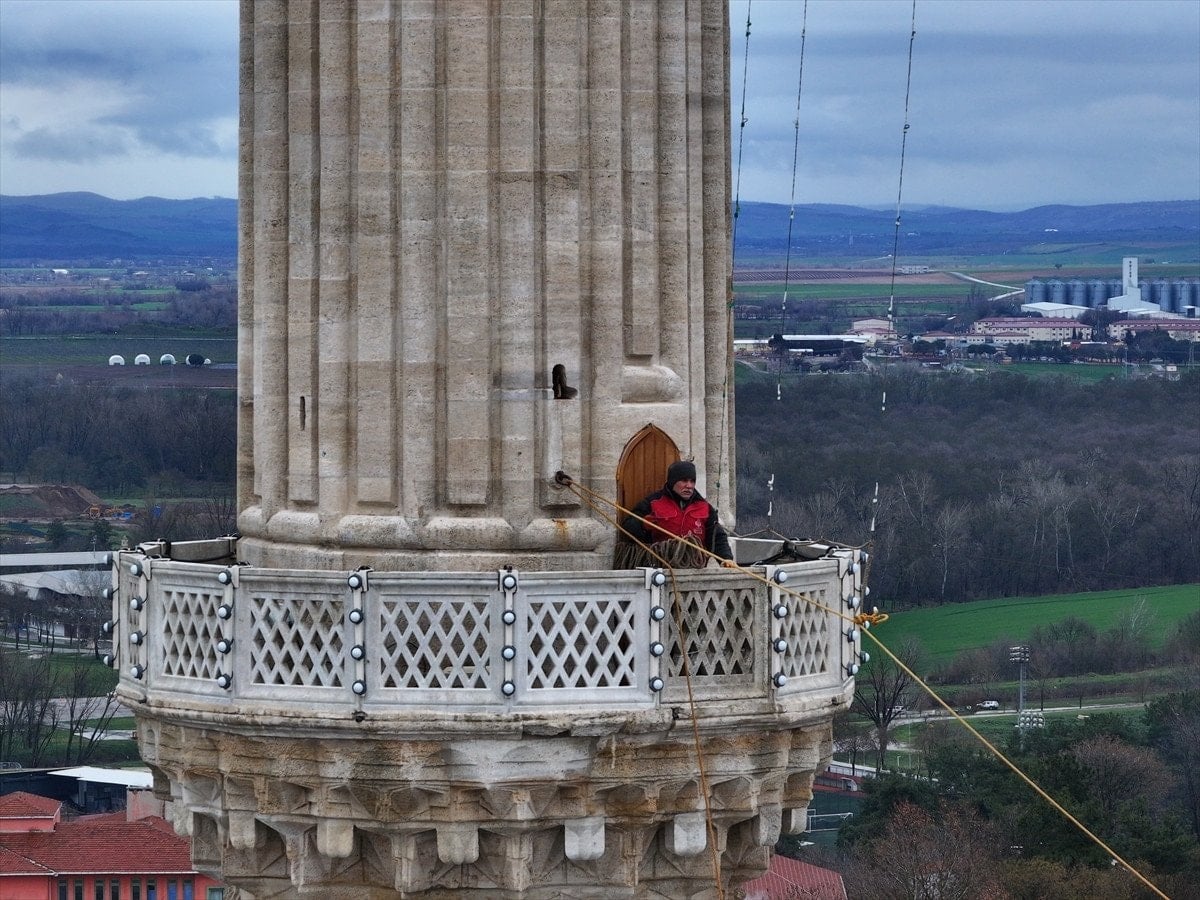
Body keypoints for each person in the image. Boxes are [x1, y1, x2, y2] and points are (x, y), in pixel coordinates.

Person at [619, 460, 735, 568]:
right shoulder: (653, 503)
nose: (689, 486)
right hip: (661, 567)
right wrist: (643, 525)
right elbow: (627, 527)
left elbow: (717, 537)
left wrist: (726, 558)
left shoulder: (705, 508)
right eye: (684, 481)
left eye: (692, 481)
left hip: (694, 569)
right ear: (672, 481)